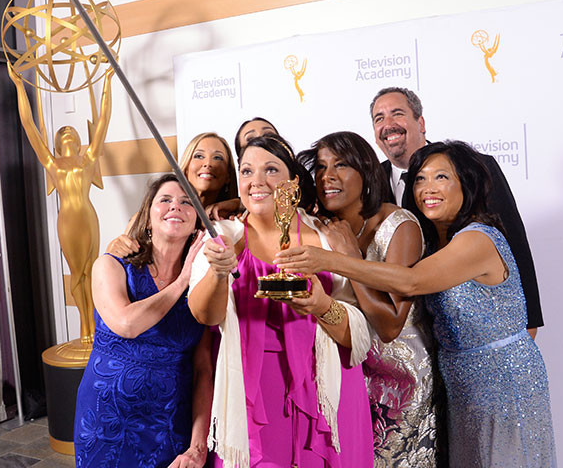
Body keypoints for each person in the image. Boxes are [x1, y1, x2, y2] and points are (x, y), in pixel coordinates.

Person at [277, 141, 557, 468]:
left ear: (466, 185)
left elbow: (410, 282)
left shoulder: (477, 239)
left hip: (505, 383)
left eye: (442, 178)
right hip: (459, 384)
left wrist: (334, 259)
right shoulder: (439, 237)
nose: (428, 188)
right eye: (420, 179)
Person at [188, 134, 374, 468]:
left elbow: (358, 338)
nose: (256, 181)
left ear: (292, 182)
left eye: (270, 170)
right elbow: (206, 315)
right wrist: (217, 273)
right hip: (254, 398)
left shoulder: (327, 236)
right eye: (246, 171)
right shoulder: (222, 237)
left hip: (328, 394)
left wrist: (321, 306)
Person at [298, 131, 439, 468]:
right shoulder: (322, 226)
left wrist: (349, 258)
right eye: (320, 167)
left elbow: (390, 324)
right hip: (351, 374)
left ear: (366, 172)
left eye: (341, 165)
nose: (327, 176)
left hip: (403, 383)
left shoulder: (398, 226)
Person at [369, 87, 544, 335]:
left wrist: (530, 321)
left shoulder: (476, 168)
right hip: (406, 335)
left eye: (397, 114)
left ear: (421, 122)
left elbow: (514, 243)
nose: (388, 124)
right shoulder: (369, 183)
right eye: (379, 118)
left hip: (473, 329)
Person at [74, 174, 213, 468]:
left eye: (187, 202)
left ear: (196, 225)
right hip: (107, 420)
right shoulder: (110, 265)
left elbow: (203, 369)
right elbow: (126, 323)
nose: (176, 206)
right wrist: (180, 282)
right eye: (165, 200)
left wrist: (197, 446)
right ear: (147, 218)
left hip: (170, 421)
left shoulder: (202, 286)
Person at [9, 64, 114, 344]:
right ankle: (84, 326)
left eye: (72, 130)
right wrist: (20, 87)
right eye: (62, 130)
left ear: (79, 139)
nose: (67, 131)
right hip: (67, 221)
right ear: (56, 142)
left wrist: (107, 80)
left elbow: (103, 120)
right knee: (77, 273)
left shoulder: (88, 158)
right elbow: (30, 126)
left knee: (93, 270)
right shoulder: (51, 162)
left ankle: (97, 324)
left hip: (89, 217)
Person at [107, 132, 237, 256]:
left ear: (228, 176)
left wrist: (239, 203)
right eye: (199, 156)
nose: (208, 164)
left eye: (218, 158)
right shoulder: (151, 215)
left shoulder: (232, 219)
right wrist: (114, 250)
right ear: (185, 168)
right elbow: (120, 256)